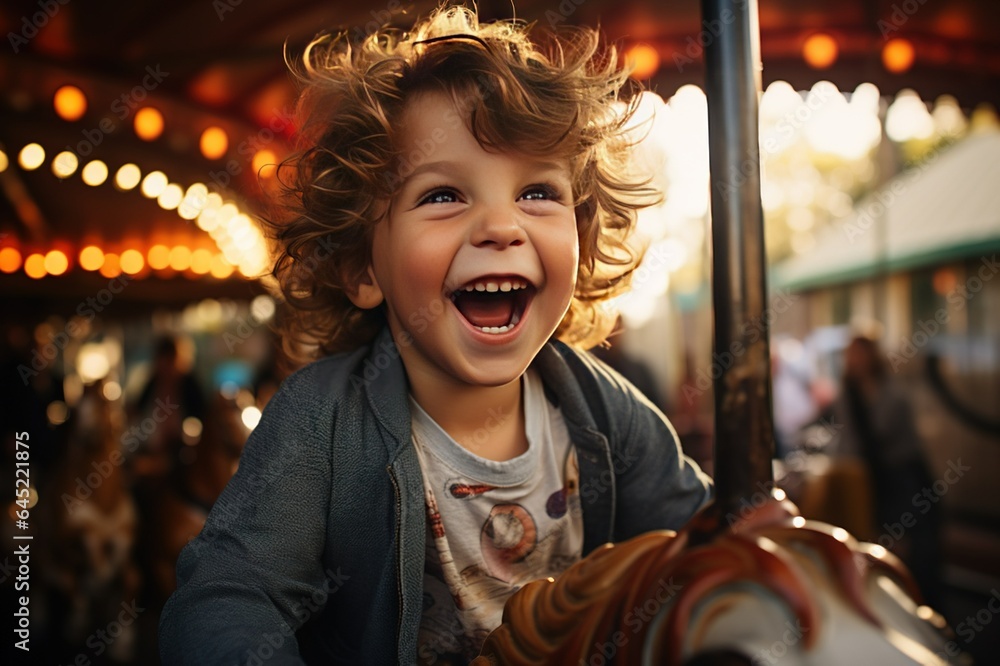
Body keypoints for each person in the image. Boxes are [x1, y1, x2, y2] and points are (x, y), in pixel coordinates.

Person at [159, 6, 712, 664]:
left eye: (538, 192)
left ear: (582, 239)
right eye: (444, 196)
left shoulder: (603, 413)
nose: (501, 226)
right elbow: (229, 595)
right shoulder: (321, 423)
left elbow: (702, 542)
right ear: (363, 266)